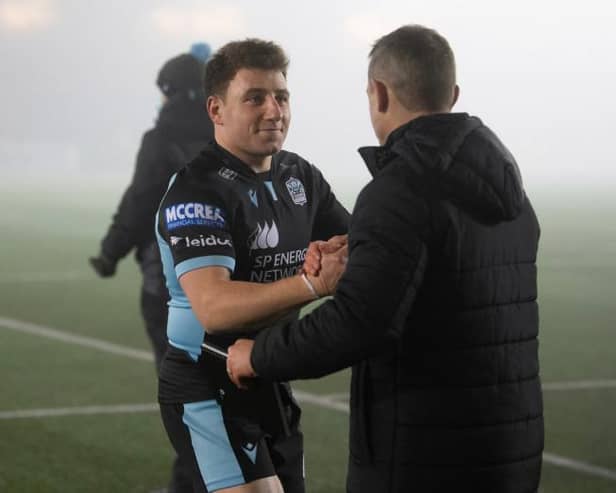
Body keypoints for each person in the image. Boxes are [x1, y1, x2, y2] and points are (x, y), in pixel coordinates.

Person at [227, 24, 543, 493]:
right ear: (452, 95)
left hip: (423, 456)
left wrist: (259, 354)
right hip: (510, 450)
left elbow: (359, 322)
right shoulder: (512, 195)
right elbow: (438, 270)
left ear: (377, 93)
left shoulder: (399, 189)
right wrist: (360, 247)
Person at [154, 39, 349, 493]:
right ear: (216, 109)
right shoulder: (196, 190)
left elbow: (355, 244)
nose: (274, 110)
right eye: (255, 98)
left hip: (268, 374)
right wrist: (310, 284)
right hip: (207, 382)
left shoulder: (299, 176)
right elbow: (215, 308)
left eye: (281, 96)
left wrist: (340, 254)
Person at [89, 43, 214, 492]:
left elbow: (140, 200)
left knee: (185, 396)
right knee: (223, 396)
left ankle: (193, 484)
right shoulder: (228, 135)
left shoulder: (160, 140)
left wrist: (110, 252)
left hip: (168, 287)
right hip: (225, 289)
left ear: (171, 92)